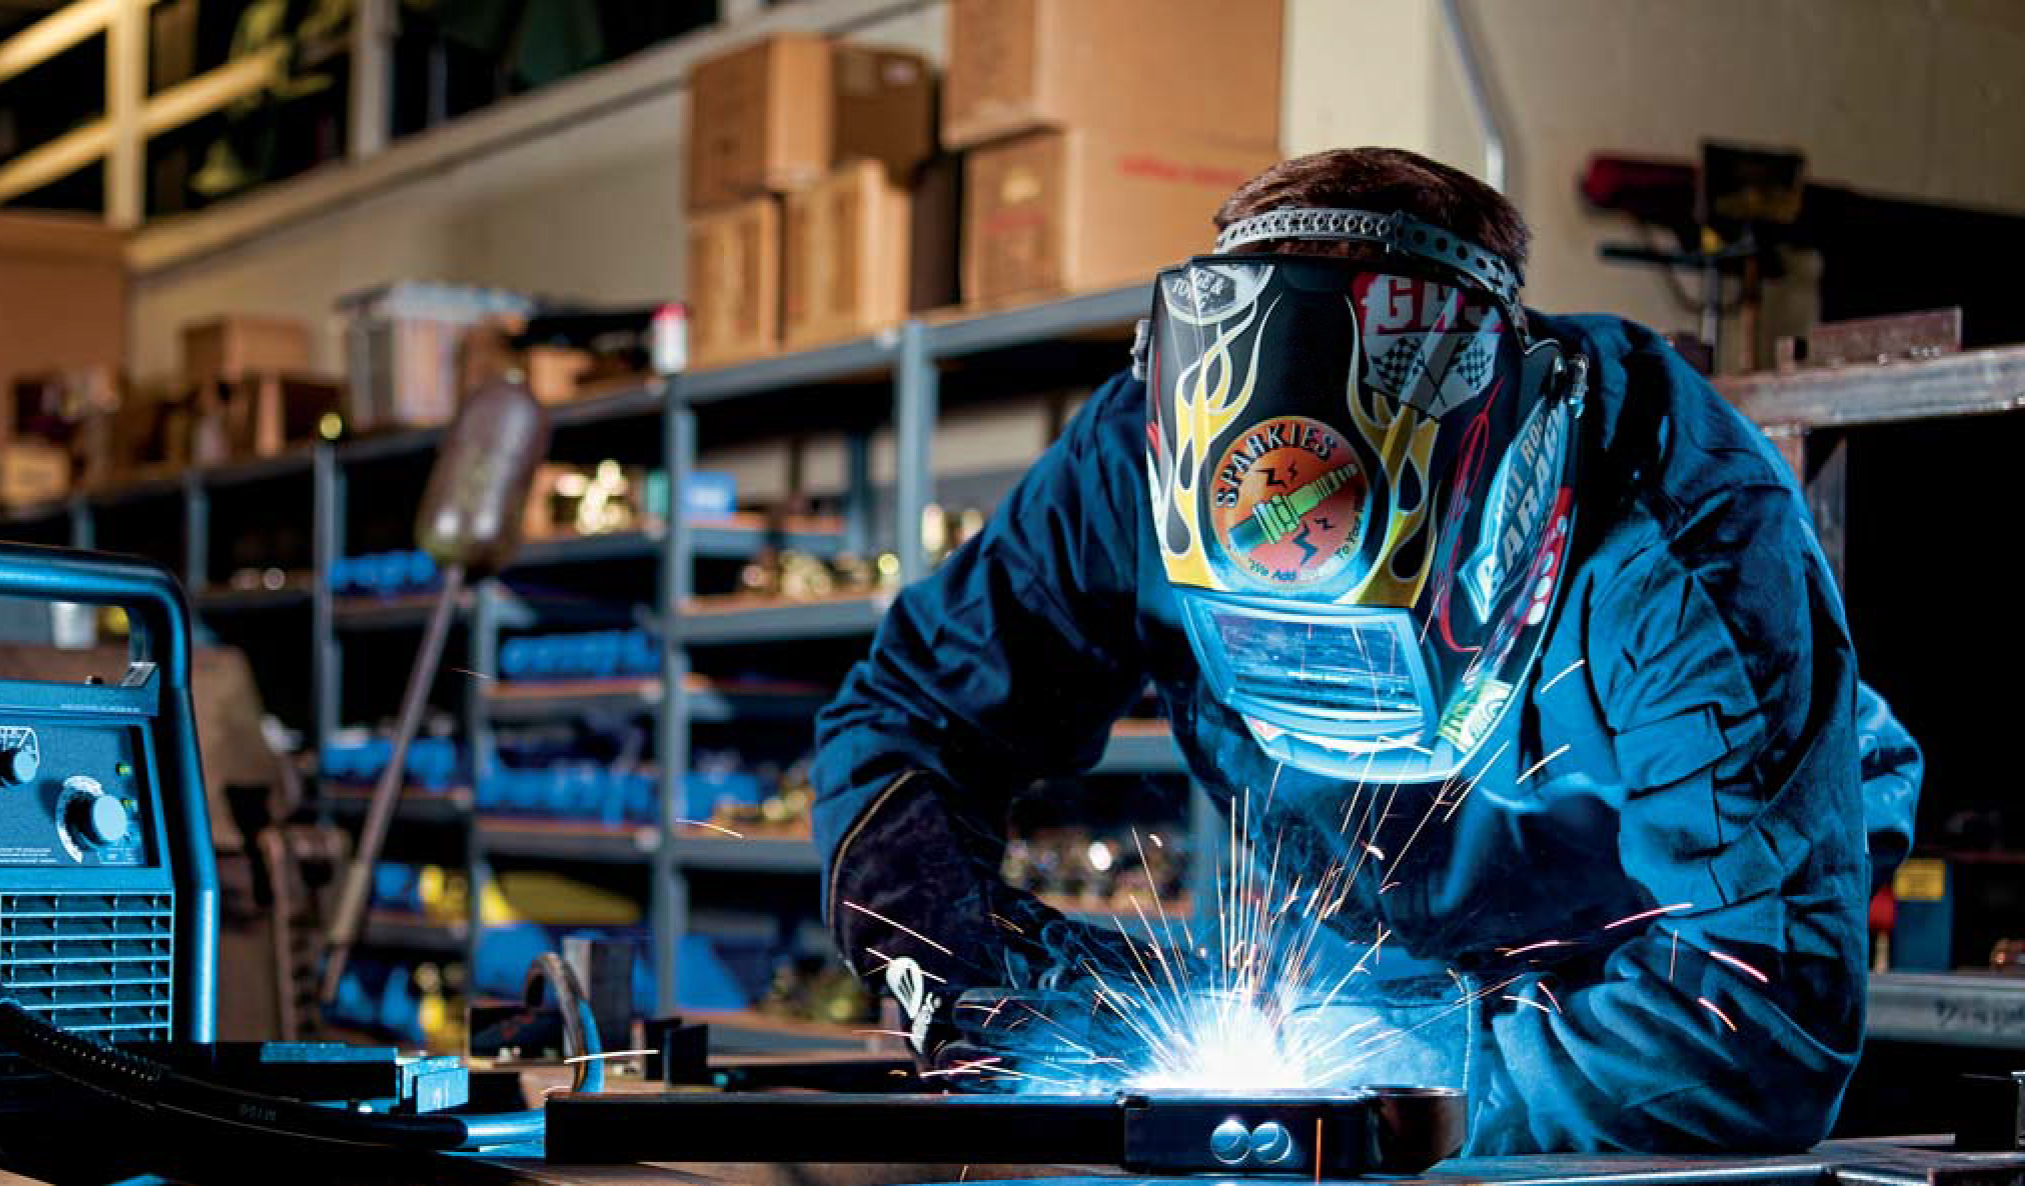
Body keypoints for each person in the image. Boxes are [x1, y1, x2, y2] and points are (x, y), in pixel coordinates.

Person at [810, 146, 1923, 1155]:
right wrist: (966, 972)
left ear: (1502, 474)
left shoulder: (1685, 539)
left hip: (1636, 973)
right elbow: (901, 722)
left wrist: (1375, 1075)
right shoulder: (1134, 463)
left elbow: (1754, 1027)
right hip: (1350, 957)